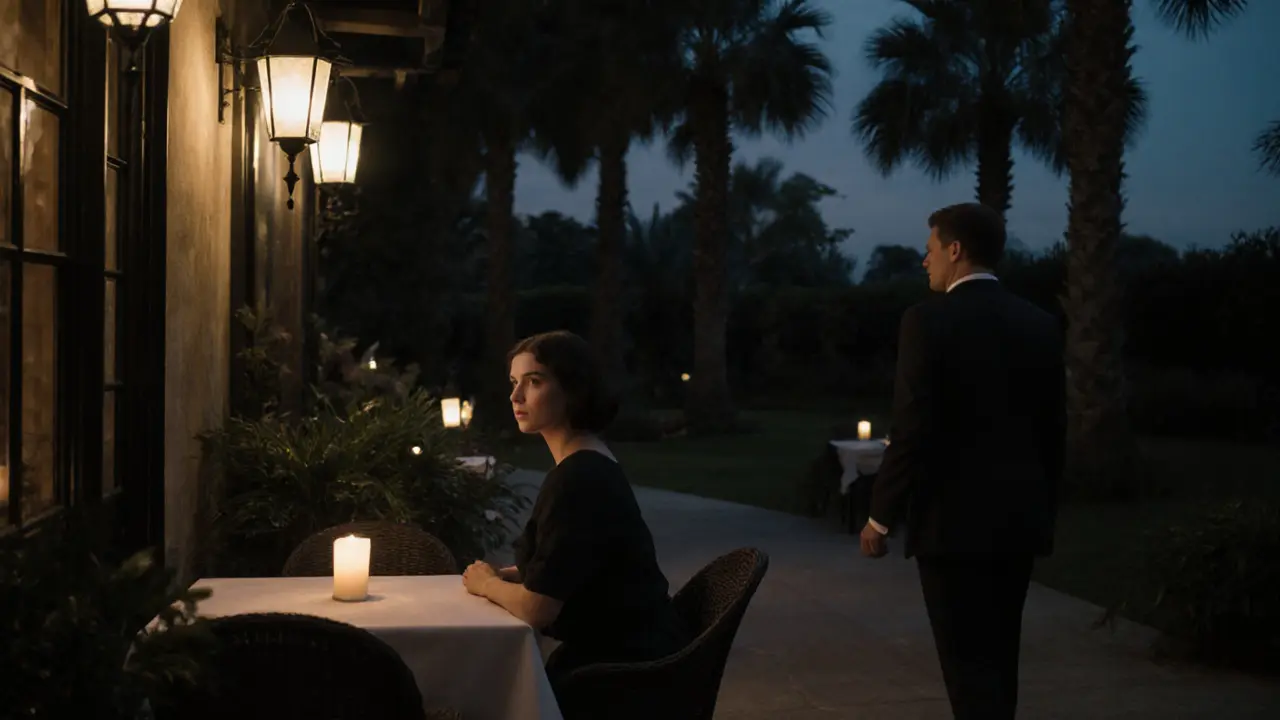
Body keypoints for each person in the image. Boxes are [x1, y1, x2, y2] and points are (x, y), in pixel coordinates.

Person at [859, 203, 1065, 720]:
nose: (925, 262)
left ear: (955, 250)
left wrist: (879, 516)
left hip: (952, 528)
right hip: (1018, 522)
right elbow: (1053, 431)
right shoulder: (1038, 323)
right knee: (1000, 660)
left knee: (965, 666)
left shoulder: (926, 321)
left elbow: (911, 427)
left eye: (930, 250)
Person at [461, 330, 688, 686]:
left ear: (573, 389)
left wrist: (487, 584)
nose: (515, 396)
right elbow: (576, 565)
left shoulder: (578, 476)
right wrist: (515, 576)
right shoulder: (588, 460)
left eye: (533, 382)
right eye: (513, 382)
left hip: (625, 674)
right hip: (628, 654)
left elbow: (537, 609)